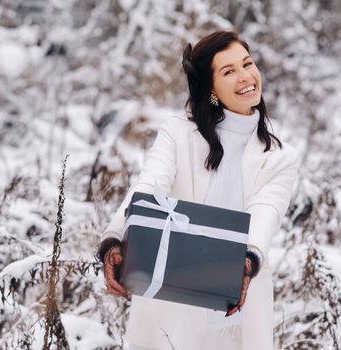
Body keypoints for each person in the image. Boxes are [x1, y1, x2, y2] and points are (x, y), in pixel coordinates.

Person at [97, 30, 300, 350]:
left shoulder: (279, 157)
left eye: (248, 64)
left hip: (237, 311)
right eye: (229, 71)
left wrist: (249, 259)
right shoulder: (178, 133)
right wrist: (116, 238)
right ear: (211, 89)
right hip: (172, 304)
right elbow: (150, 184)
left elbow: (266, 212)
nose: (246, 76)